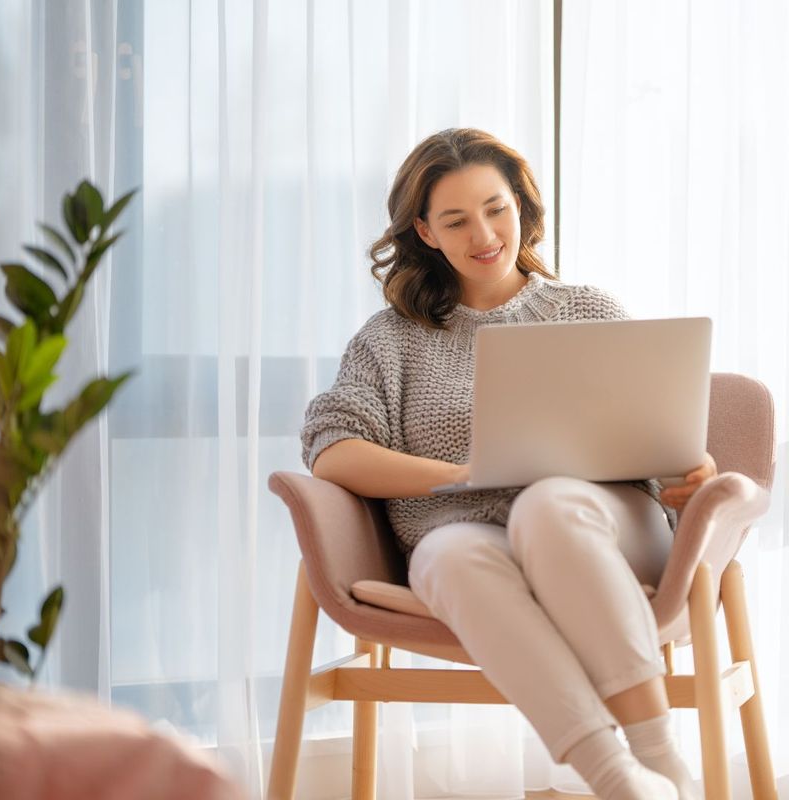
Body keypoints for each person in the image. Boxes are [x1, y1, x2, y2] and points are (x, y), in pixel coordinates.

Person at [301, 128, 714, 800]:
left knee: (549, 503)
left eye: (496, 208)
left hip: (600, 526)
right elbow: (333, 448)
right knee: (444, 557)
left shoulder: (585, 310)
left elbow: (658, 436)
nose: (484, 233)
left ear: (522, 206)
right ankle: (622, 784)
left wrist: (690, 466)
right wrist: (457, 476)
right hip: (468, 532)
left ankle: (662, 757)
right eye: (456, 220)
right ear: (426, 232)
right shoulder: (392, 338)